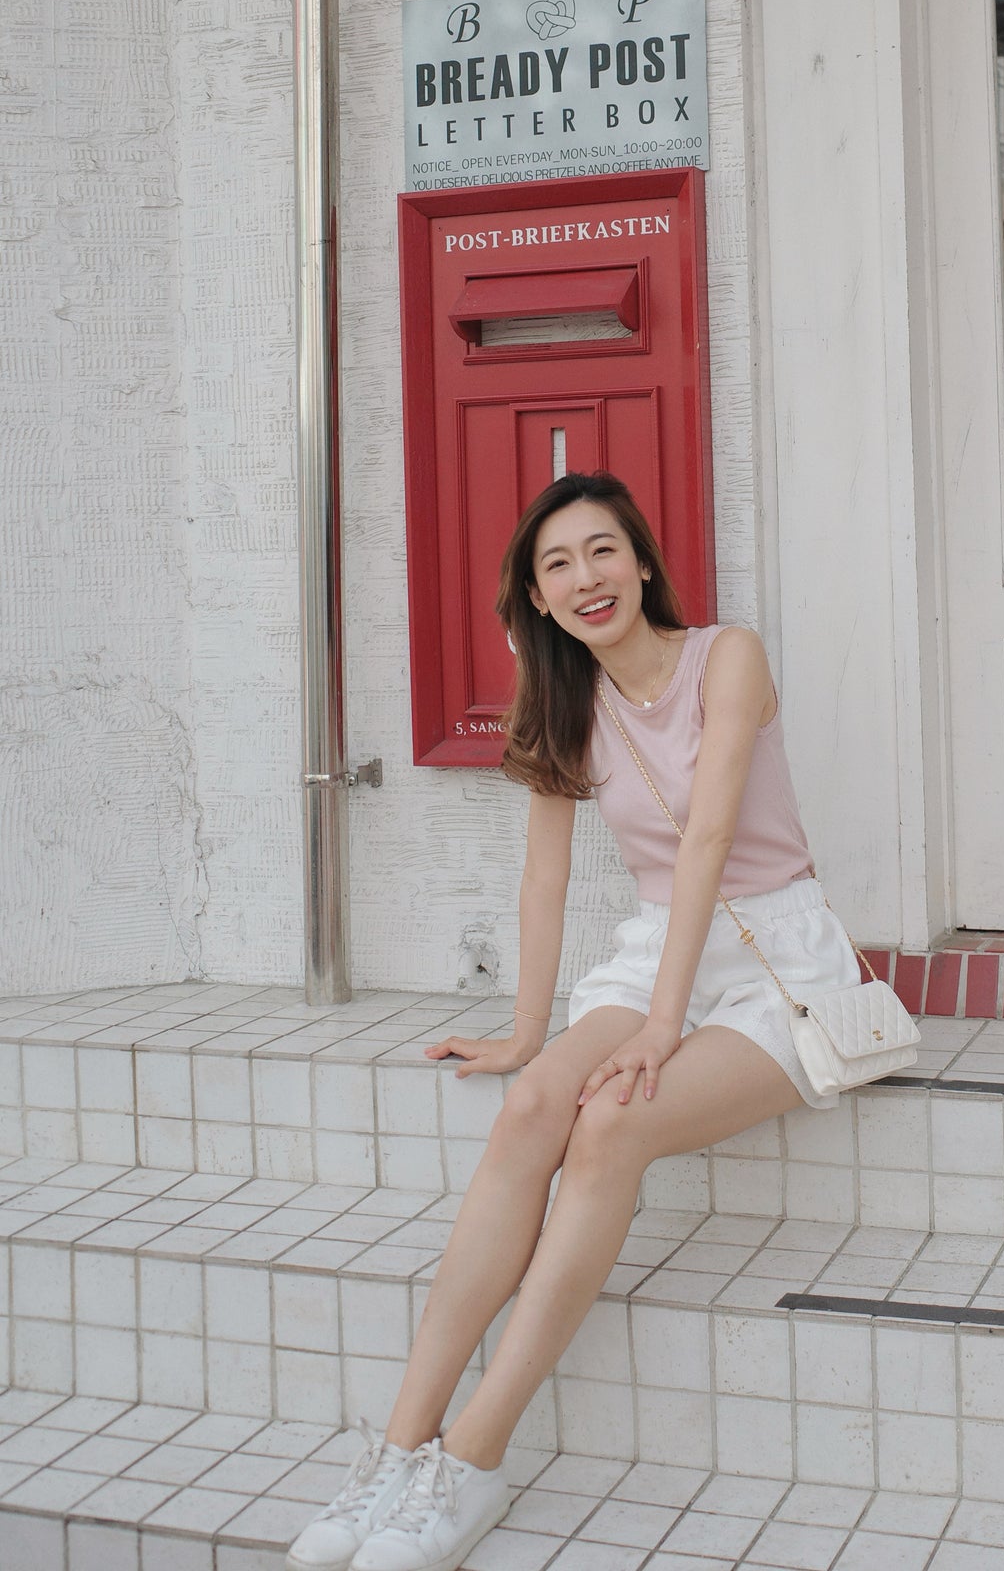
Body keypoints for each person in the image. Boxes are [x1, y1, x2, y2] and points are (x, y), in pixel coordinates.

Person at [286, 470, 864, 1571]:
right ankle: (396, 1449)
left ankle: (472, 1458)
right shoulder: (565, 706)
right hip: (657, 947)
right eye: (556, 564)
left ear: (641, 562)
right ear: (537, 601)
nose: (584, 576)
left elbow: (705, 841)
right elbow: (542, 884)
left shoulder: (725, 657)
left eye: (601, 550)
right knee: (537, 1105)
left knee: (609, 1122)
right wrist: (524, 1030)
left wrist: (660, 1026)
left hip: (773, 952)